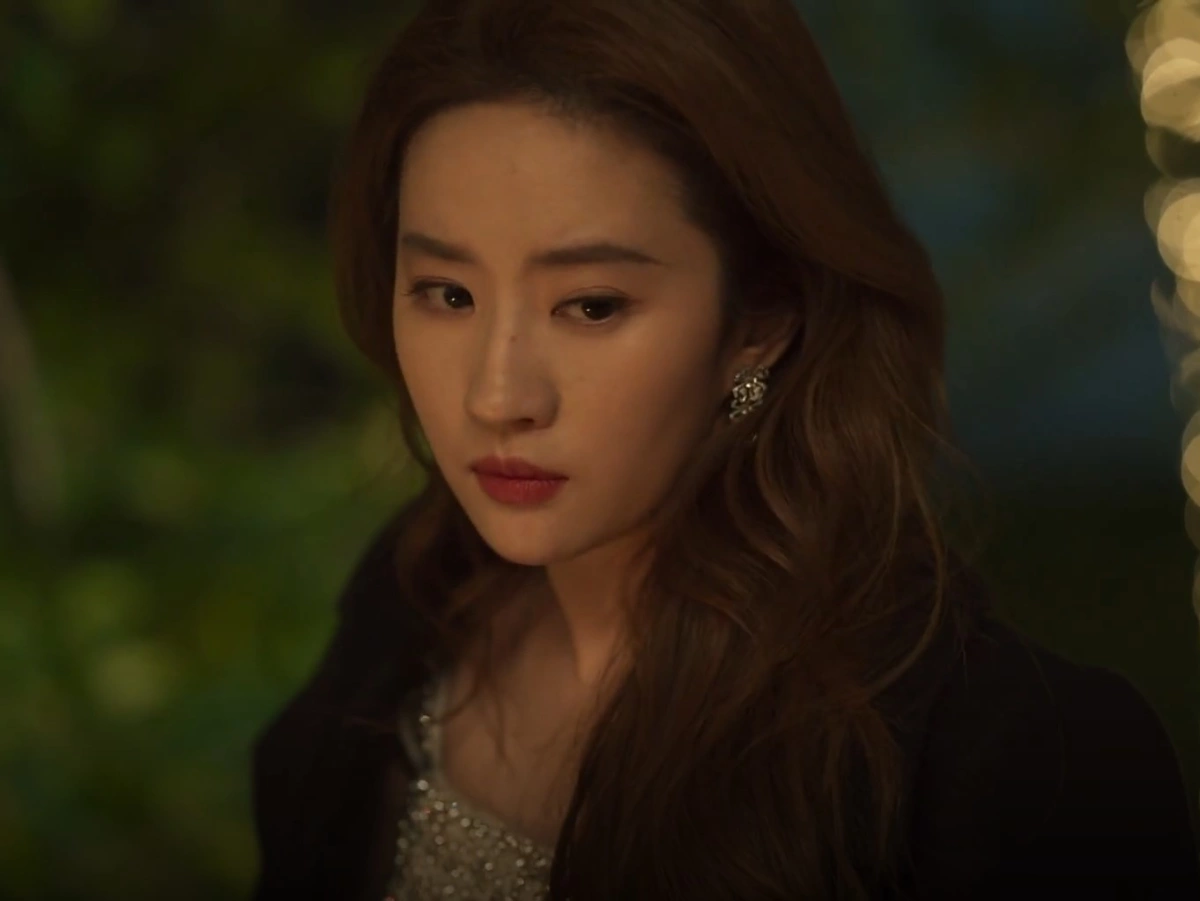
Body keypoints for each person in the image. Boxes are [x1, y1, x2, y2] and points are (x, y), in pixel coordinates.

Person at [250, 0, 1200, 898]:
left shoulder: (1012, 762)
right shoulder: (413, 608)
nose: (498, 397)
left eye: (591, 306)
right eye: (448, 295)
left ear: (759, 323)